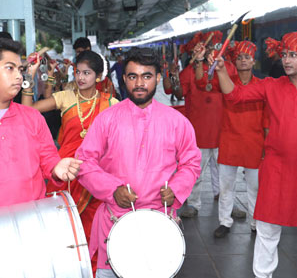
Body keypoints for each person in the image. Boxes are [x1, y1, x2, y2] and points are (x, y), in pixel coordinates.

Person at [210, 30, 297, 278]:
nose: (287, 60)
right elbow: (235, 96)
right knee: (266, 230)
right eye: (285, 54)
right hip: (276, 170)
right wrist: (222, 70)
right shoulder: (271, 87)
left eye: (293, 55)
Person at [75, 47, 201, 278]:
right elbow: (84, 162)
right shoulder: (107, 119)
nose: (139, 83)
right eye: (133, 76)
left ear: (158, 78)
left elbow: (191, 163)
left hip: (160, 224)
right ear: (124, 79)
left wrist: (176, 189)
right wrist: (112, 190)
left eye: (147, 76)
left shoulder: (177, 121)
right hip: (114, 223)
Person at [21, 50, 119, 275]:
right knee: (64, 230)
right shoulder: (65, 97)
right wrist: (28, 80)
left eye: (87, 73)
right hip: (64, 176)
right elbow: (27, 112)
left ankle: (94, 270)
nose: (81, 77)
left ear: (99, 77)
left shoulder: (112, 103)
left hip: (96, 180)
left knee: (95, 228)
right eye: (78, 72)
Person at [195, 40, 269, 237]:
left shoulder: (262, 86)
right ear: (234, 62)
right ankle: (225, 222)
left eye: (247, 57)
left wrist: (267, 144)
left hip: (255, 141)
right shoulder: (225, 80)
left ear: (254, 61)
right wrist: (201, 61)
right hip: (229, 140)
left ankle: (256, 222)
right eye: (240, 57)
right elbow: (202, 83)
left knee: (255, 187)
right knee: (226, 185)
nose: (243, 60)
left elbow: (268, 118)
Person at [0, 38, 82, 207]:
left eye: (20, 69)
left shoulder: (32, 117)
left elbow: (48, 158)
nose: (18, 76)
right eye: (10, 68)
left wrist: (56, 169)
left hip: (33, 219)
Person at [169, 31, 224, 218]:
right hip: (198, 131)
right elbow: (176, 92)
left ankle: (224, 201)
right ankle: (193, 203)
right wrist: (173, 75)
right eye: (205, 47)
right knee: (195, 171)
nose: (209, 50)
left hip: (222, 130)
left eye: (212, 47)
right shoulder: (189, 72)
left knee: (224, 172)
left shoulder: (221, 70)